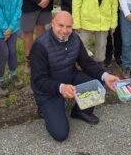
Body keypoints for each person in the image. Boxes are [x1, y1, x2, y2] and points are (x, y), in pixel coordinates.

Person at [30, 11, 120, 142]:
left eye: (69, 27)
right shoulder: (40, 45)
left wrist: (105, 76)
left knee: (97, 84)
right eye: (60, 25)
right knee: (60, 134)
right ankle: (45, 107)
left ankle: (80, 111)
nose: (65, 31)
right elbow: (38, 80)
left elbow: (86, 63)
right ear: (52, 24)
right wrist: (60, 88)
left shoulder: (75, 39)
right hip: (48, 88)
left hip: (69, 76)